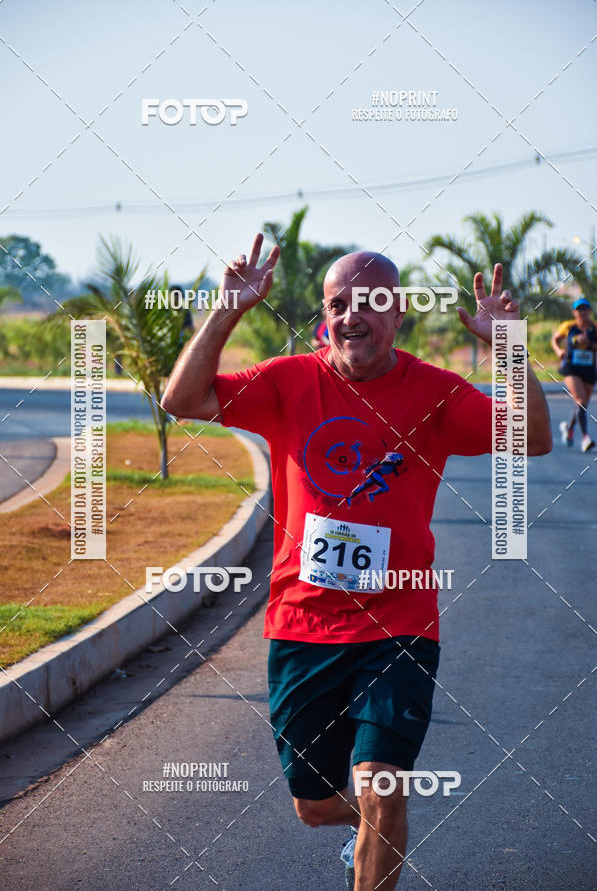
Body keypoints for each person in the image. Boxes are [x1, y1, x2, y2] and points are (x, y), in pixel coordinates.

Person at [161, 235, 553, 890]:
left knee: (382, 789)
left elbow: (534, 439)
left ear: (398, 315)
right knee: (314, 806)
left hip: (399, 624)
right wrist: (227, 310)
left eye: (371, 302)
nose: (353, 315)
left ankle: (380, 827)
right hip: (301, 625)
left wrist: (508, 343)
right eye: (339, 302)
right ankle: (372, 832)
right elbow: (182, 401)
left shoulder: (435, 393)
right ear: (324, 315)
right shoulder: (288, 381)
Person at [552, 298, 597, 452]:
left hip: (589, 369)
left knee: (582, 404)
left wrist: (590, 344)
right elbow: (555, 340)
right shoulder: (568, 326)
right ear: (574, 312)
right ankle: (586, 438)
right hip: (571, 368)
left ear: (589, 311)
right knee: (580, 400)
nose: (582, 312)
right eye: (579, 309)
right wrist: (559, 351)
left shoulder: (596, 327)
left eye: (585, 309)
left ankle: (569, 429)